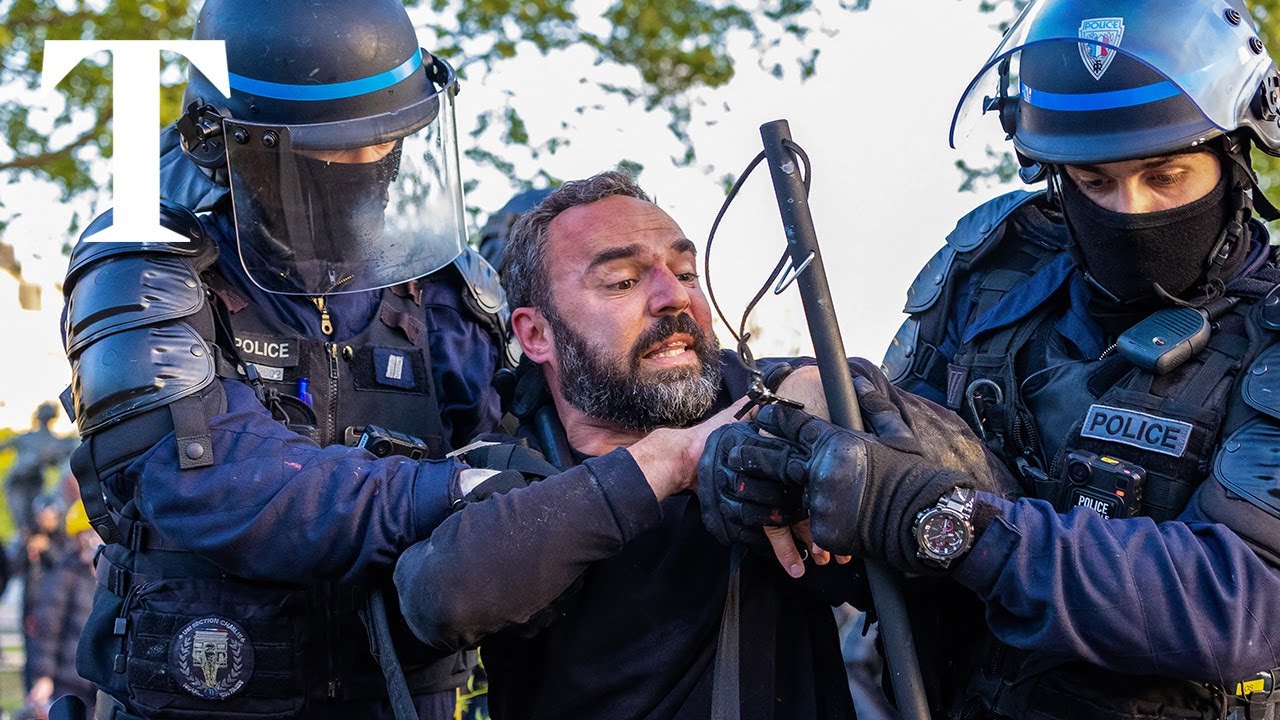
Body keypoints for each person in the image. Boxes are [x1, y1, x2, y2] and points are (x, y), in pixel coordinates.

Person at [714, 1, 1280, 718]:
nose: (1130, 209)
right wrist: (797, 489)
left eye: (1166, 175)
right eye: (1094, 181)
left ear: (1235, 157)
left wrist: (948, 522)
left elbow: (1240, 606)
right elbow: (884, 488)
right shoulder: (987, 275)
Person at [59, 1, 511, 717]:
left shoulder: (448, 293)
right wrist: (447, 493)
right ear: (226, 144)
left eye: (385, 142)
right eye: (326, 152)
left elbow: (522, 455)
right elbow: (206, 479)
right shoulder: (144, 267)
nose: (366, 166)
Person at [392, 170, 863, 719]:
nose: (673, 297)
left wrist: (823, 392)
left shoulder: (768, 402)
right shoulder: (501, 461)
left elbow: (924, 441)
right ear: (535, 335)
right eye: (621, 281)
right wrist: (674, 460)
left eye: (686, 272)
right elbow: (443, 598)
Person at [25, 501, 99, 717]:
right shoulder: (65, 575)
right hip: (69, 681)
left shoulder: (110, 575)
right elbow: (48, 628)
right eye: (85, 534)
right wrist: (44, 677)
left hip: (100, 682)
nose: (91, 539)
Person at [1, 403, 75, 530]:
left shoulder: (53, 442)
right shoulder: (28, 438)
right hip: (17, 483)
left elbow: (68, 453)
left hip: (35, 483)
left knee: (36, 517)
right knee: (22, 520)